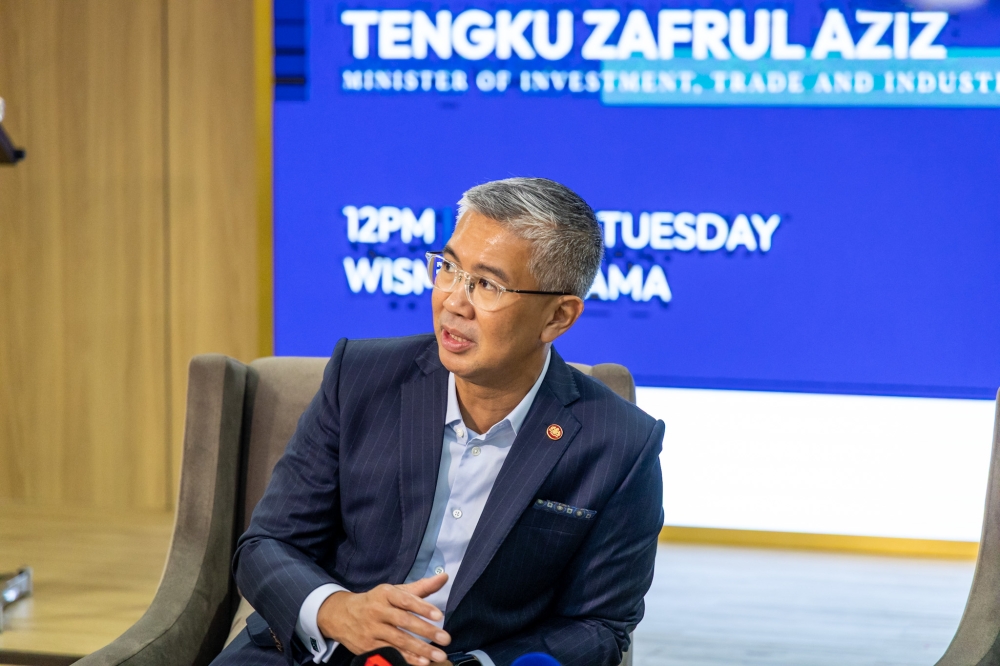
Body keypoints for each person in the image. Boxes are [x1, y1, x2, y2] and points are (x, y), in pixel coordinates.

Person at [213, 178, 664, 666]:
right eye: (449, 268)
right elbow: (267, 544)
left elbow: (600, 625)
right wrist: (338, 610)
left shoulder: (620, 444)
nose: (453, 301)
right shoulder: (360, 377)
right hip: (313, 652)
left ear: (558, 316)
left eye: (487, 284)